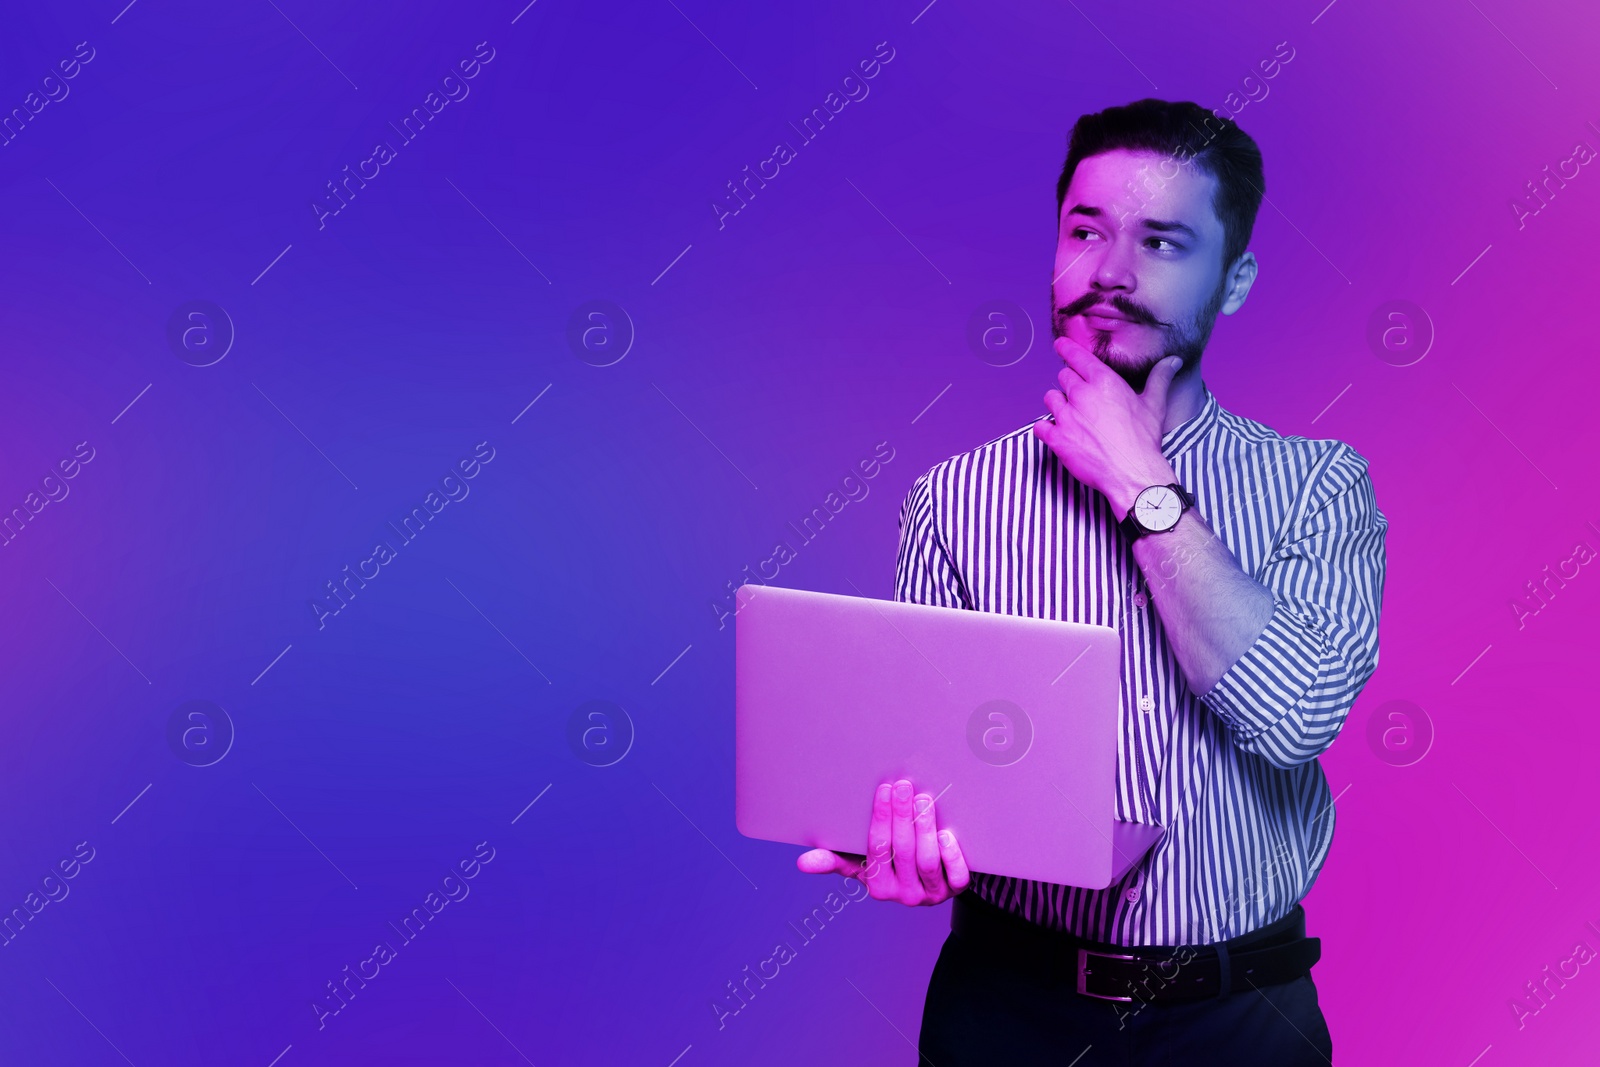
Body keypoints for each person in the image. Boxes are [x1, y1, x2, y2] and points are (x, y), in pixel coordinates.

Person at [798, 98, 1387, 1065]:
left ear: (1232, 281)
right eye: (1086, 231)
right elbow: (928, 764)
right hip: (1007, 1012)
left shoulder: (1318, 486)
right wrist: (902, 835)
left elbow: (1296, 716)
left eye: (1163, 241)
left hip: (1241, 1020)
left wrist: (1140, 484)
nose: (1111, 272)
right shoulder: (952, 498)